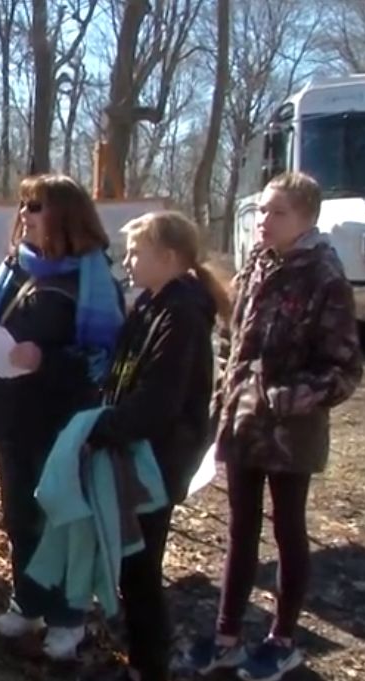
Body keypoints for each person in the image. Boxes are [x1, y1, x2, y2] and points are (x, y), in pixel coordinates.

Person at [189, 172, 362, 681]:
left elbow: (345, 369)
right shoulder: (256, 268)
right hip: (243, 424)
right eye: (261, 210)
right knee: (241, 531)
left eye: (277, 212)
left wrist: (290, 397)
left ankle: (282, 639)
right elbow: (234, 344)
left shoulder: (325, 277)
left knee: (288, 530)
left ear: (307, 218)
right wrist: (223, 400)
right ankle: (226, 637)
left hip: (292, 433)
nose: (264, 220)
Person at [0, 173, 124, 660]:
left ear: (64, 215)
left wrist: (45, 360)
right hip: (13, 417)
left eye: (35, 206)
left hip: (63, 422)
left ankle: (67, 618)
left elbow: (106, 363)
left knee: (63, 522)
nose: (24, 215)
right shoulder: (16, 267)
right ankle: (29, 602)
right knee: (19, 517)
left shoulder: (93, 280)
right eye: (23, 205)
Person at [85, 211, 231, 681]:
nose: (126, 260)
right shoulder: (152, 303)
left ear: (167, 258)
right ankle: (142, 653)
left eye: (135, 252)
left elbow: (160, 400)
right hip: (134, 451)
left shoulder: (182, 313)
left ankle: (150, 664)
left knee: (141, 565)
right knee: (132, 561)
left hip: (157, 458)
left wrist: (103, 429)